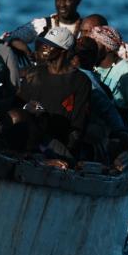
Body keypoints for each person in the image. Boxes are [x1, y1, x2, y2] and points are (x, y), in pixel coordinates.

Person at [17, 27, 91, 161]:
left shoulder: (80, 81)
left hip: (57, 141)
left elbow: (78, 124)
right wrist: (32, 109)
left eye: (50, 45)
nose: (44, 48)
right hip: (30, 134)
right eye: (44, 44)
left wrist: (70, 150)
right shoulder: (34, 73)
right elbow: (20, 104)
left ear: (63, 50)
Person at [89, 25, 128, 141]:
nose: (90, 47)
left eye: (94, 43)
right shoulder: (90, 65)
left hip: (117, 134)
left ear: (107, 48)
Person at [6, 0, 84, 59]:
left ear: (78, 1)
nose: (62, 5)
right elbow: (7, 38)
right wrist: (27, 51)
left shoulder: (86, 28)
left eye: (67, 0)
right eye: (58, 0)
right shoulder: (41, 25)